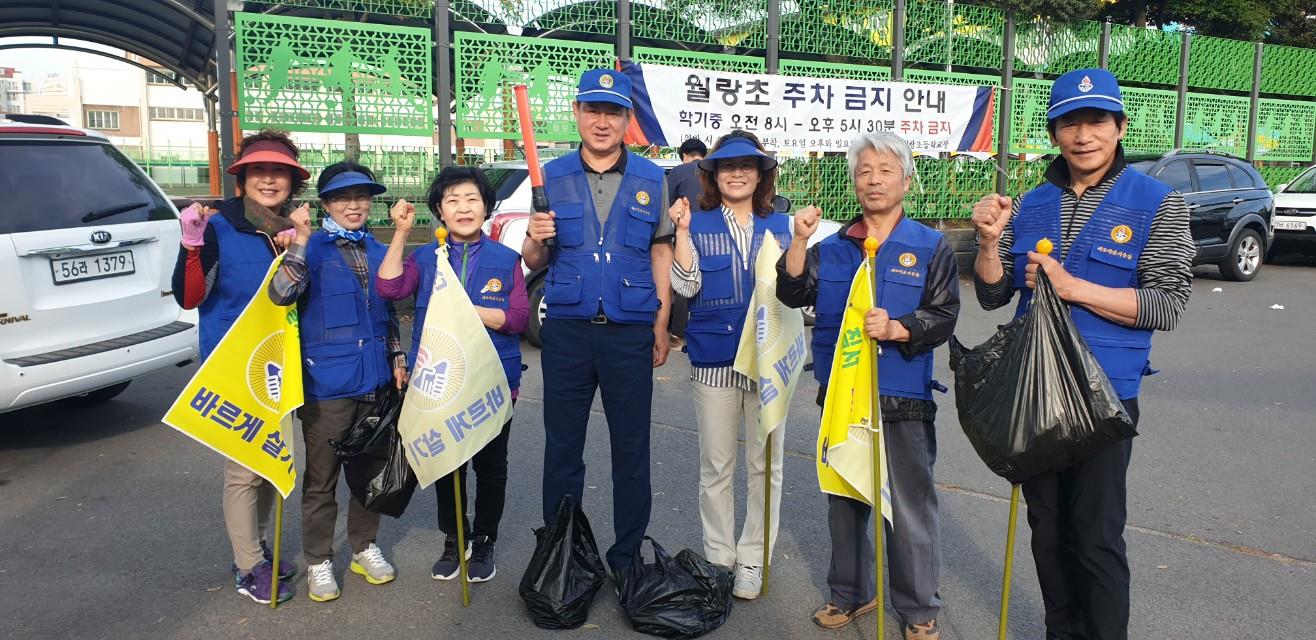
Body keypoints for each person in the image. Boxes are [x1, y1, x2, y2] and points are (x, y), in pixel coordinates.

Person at [971, 68, 1194, 640]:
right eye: (1070, 122)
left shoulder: (1158, 202)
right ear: (1054, 133)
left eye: (1096, 120)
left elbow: (1166, 304)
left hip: (1104, 397)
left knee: (1095, 535)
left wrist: (1072, 288)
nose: (1083, 134)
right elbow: (994, 294)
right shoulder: (1032, 202)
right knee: (1046, 532)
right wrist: (991, 243)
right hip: (1037, 390)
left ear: (1119, 127)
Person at [776, 132, 959, 639]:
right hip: (840, 396)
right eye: (864, 171)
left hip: (902, 397)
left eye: (884, 170)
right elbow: (792, 292)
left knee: (908, 508)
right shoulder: (832, 247)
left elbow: (944, 314)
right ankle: (851, 594)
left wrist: (901, 328)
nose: (873, 179)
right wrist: (797, 241)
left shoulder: (930, 245)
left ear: (905, 179)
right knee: (846, 499)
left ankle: (920, 611)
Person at [522, 68, 676, 573]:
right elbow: (535, 260)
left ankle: (627, 558)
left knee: (631, 451)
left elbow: (660, 253)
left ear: (627, 119)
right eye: (593, 110)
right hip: (567, 330)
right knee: (562, 449)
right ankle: (563, 555)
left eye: (613, 112)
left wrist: (660, 323)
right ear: (578, 113)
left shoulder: (653, 179)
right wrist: (534, 236)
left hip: (631, 329)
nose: (602, 121)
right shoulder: (551, 175)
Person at [170, 129, 307, 605]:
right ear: (243, 177)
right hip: (234, 365)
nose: (269, 180)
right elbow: (190, 297)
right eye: (260, 171)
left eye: (280, 172)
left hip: (281, 364)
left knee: (273, 462)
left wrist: (300, 246)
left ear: (292, 181)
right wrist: (191, 245)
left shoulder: (293, 227)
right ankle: (247, 565)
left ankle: (259, 549)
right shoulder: (216, 225)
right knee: (245, 469)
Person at [376, 166, 528, 583]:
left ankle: (485, 541)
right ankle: (454, 537)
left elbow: (518, 317)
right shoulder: (425, 258)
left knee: (491, 467)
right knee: (449, 465)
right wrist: (403, 233)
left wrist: (468, 311)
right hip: (439, 381)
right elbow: (389, 288)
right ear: (440, 211)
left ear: (486, 207)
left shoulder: (506, 258)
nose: (464, 208)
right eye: (453, 201)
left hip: (494, 380)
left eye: (472, 199)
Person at [267, 161, 408, 602]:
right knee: (322, 479)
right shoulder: (308, 246)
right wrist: (301, 243)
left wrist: (398, 357)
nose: (355, 205)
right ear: (325, 203)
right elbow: (280, 295)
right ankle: (319, 560)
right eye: (344, 197)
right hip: (326, 384)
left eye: (363, 196)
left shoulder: (377, 248)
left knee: (369, 473)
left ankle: (364, 547)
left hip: (377, 378)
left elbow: (387, 312)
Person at [668, 130, 789, 600]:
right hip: (714, 359)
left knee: (766, 466)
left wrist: (799, 240)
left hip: (767, 363)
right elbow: (684, 285)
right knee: (716, 464)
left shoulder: (780, 226)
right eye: (727, 165)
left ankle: (754, 560)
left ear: (761, 174)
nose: (737, 173)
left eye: (748, 165)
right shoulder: (695, 223)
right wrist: (679, 232)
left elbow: (798, 293)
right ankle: (719, 558)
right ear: (713, 174)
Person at [665, 137, 708, 348]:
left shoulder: (678, 172)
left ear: (684, 156)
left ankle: (678, 334)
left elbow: (668, 204)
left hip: (687, 231)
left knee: (684, 279)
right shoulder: (711, 171)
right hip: (714, 233)